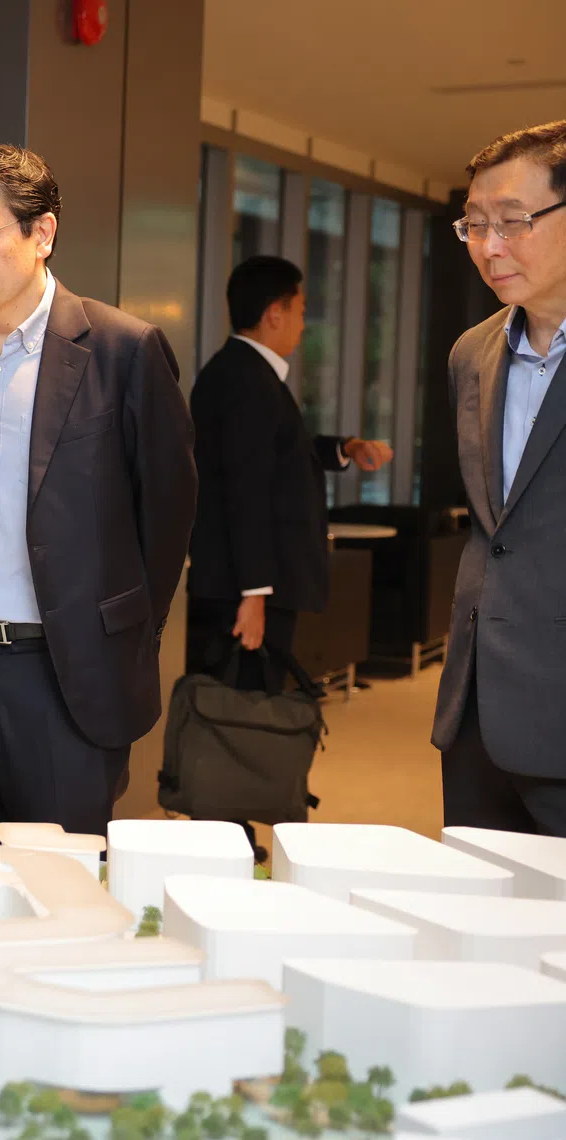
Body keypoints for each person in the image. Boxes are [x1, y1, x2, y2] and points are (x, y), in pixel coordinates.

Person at [0, 143, 197, 844]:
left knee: (58, 888)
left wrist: (114, 638)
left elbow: (169, 516)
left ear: (42, 234)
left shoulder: (125, 349)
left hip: (66, 678)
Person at [187, 256, 392, 858]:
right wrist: (254, 593)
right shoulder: (244, 378)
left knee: (248, 702)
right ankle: (226, 834)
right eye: (300, 310)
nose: (304, 323)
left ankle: (232, 830)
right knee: (238, 708)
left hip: (254, 584)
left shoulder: (249, 373)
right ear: (275, 312)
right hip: (247, 588)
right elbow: (245, 492)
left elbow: (282, 455)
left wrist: (345, 449)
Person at [433, 120, 566, 838]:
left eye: (514, 223)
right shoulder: (471, 353)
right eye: (475, 226)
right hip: (478, 710)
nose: (490, 246)